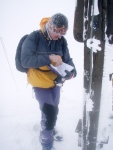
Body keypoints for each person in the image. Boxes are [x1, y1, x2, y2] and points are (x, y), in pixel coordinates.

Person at [21, 13, 77, 150]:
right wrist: (49, 57)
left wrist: (72, 71)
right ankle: (46, 142)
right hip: (39, 82)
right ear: (50, 27)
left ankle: (49, 129)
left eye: (63, 33)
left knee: (54, 109)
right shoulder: (33, 38)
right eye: (57, 32)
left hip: (55, 81)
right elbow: (25, 61)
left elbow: (67, 58)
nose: (59, 36)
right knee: (49, 112)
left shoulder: (61, 41)